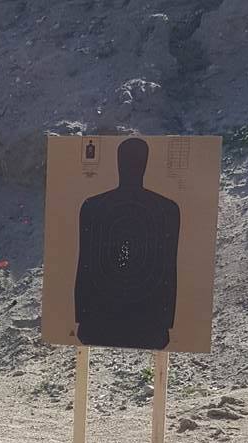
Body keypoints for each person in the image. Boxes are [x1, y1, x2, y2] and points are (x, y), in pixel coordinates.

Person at [74, 136, 181, 350]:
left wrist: (81, 313)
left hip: (102, 321)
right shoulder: (167, 209)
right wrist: (166, 318)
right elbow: (167, 271)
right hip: (145, 323)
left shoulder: (93, 206)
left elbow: (85, 265)